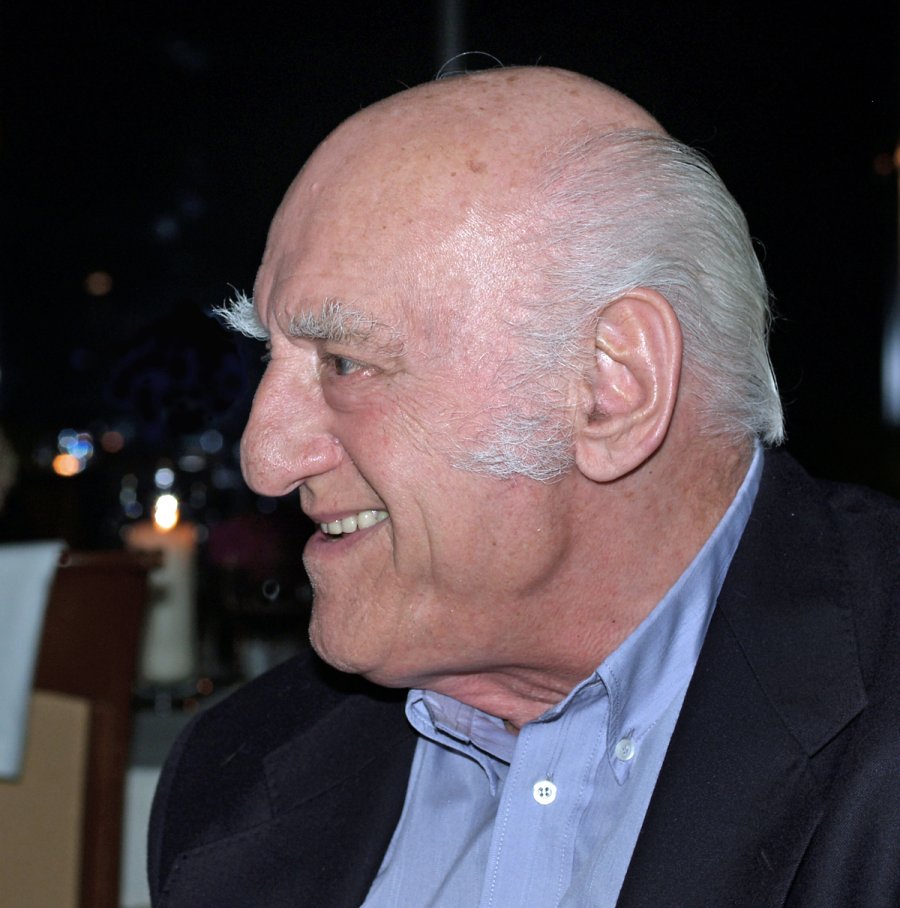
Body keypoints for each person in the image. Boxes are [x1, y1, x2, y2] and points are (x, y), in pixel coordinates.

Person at [148, 66, 900, 907]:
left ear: (612, 387)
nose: (265, 458)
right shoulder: (234, 778)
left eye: (345, 363)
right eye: (270, 356)